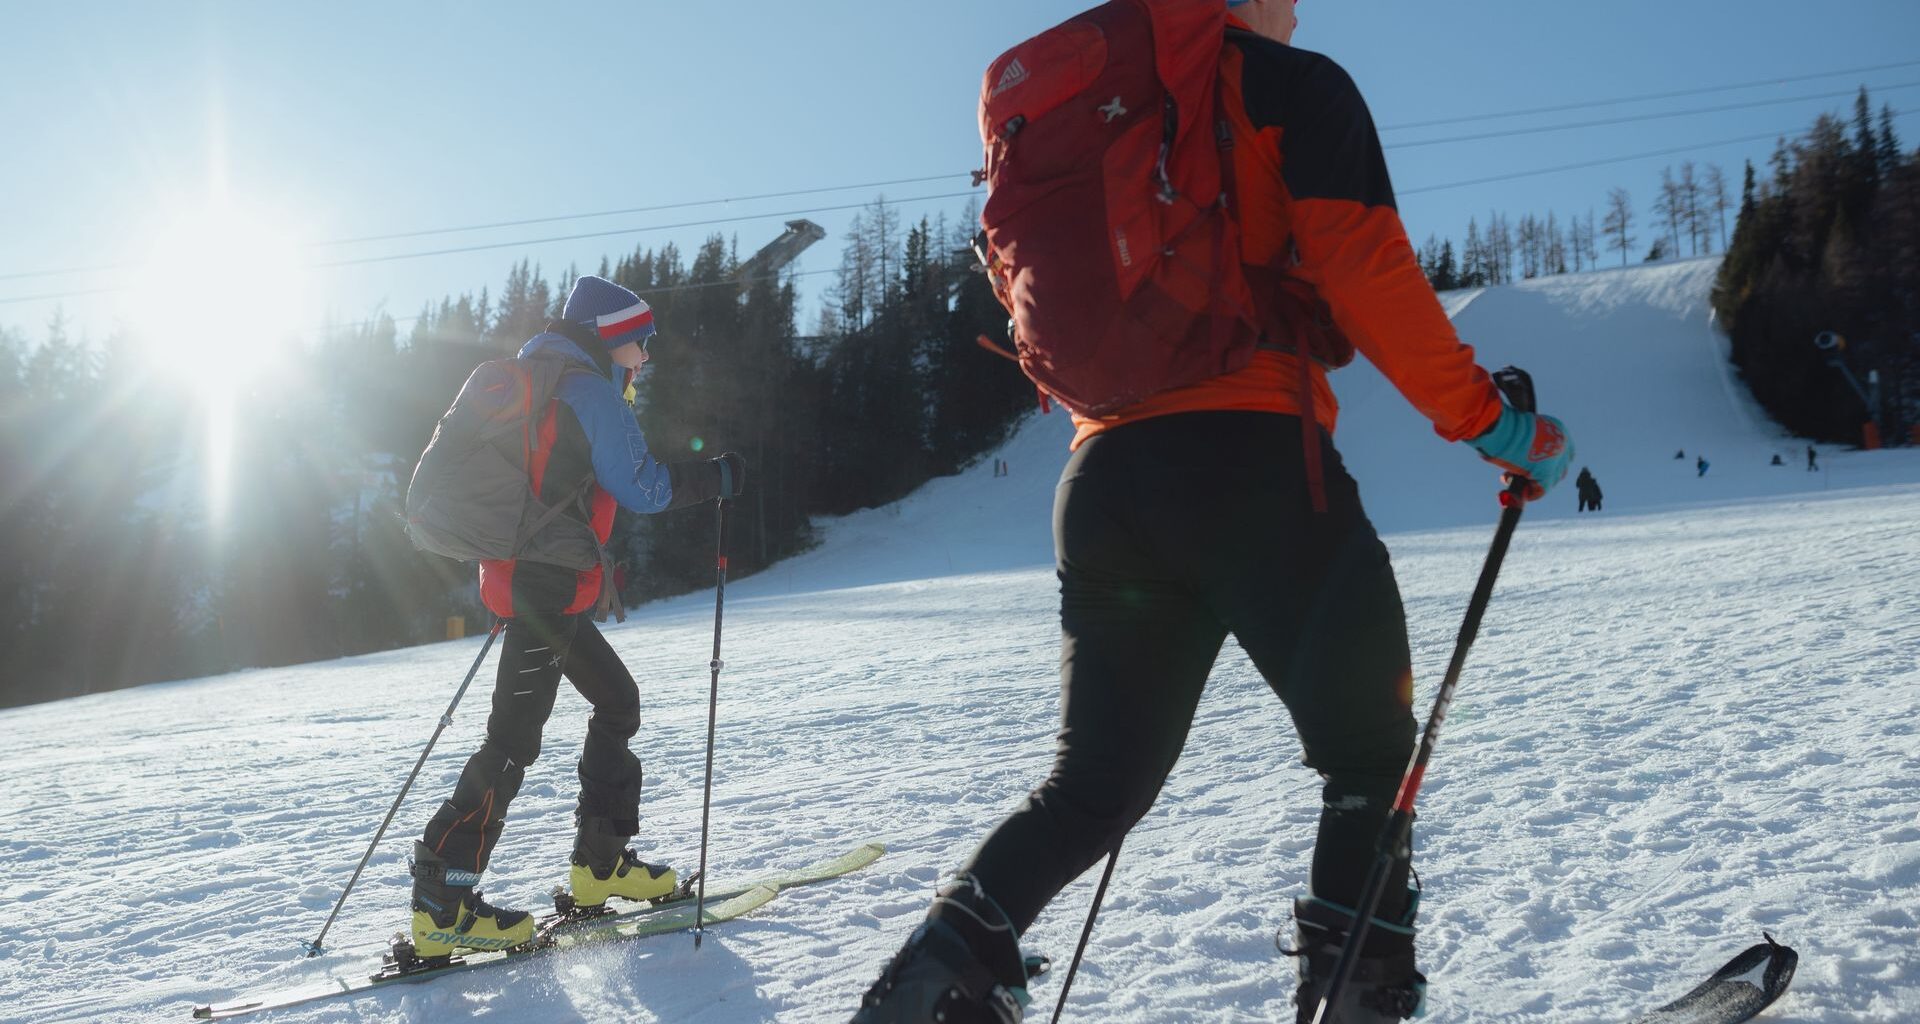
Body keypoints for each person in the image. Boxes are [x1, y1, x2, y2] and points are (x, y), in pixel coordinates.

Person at [849, 2, 1574, 1022]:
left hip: (1102, 484)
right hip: (1252, 468)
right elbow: (1371, 273)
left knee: (1091, 786)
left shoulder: (1100, 104)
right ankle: (1355, 1004)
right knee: (1367, 753)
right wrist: (1496, 426)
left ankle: (927, 991)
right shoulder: (1287, 86)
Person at [408, 276, 745, 958]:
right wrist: (717, 478)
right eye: (641, 343)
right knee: (511, 744)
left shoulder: (546, 373)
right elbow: (643, 487)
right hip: (548, 587)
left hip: (527, 581)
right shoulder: (587, 388)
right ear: (612, 335)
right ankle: (444, 904)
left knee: (618, 702)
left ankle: (599, 869)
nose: (646, 358)